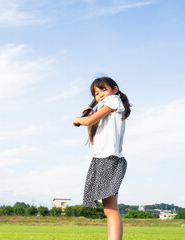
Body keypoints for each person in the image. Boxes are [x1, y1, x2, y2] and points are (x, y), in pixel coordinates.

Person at [73, 76, 131, 240]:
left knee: (111, 209)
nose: (100, 95)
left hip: (109, 159)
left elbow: (89, 120)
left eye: (103, 90)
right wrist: (89, 121)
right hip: (100, 160)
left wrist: (80, 119)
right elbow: (93, 140)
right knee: (108, 209)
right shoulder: (105, 114)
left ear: (115, 89)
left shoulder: (113, 100)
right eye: (97, 94)